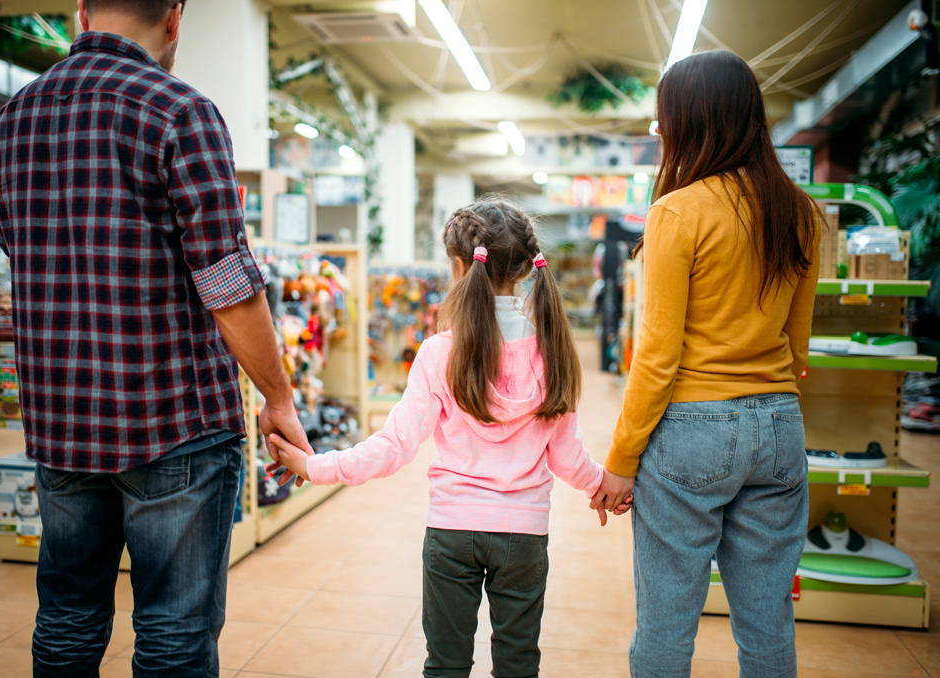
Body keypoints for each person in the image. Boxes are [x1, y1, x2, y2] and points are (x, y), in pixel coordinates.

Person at [0, 1, 313, 675]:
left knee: (68, 613)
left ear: (81, 11)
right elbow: (226, 281)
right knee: (173, 627)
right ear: (174, 17)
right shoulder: (179, 111)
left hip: (62, 422)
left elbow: (20, 252)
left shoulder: (16, 116)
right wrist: (278, 396)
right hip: (172, 423)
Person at [270, 200, 631, 678]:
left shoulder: (440, 352)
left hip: (451, 531)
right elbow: (568, 458)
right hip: (524, 536)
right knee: (519, 661)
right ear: (526, 267)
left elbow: (394, 446)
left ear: (460, 266)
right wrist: (605, 485)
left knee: (445, 663)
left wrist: (315, 465)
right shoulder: (553, 348)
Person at [589, 50, 821, 678]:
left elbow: (657, 358)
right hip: (779, 428)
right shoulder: (800, 212)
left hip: (692, 431)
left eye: (665, 121)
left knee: (667, 622)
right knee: (767, 619)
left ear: (692, 121)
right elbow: (798, 349)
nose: (662, 133)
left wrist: (620, 461)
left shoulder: (678, 211)